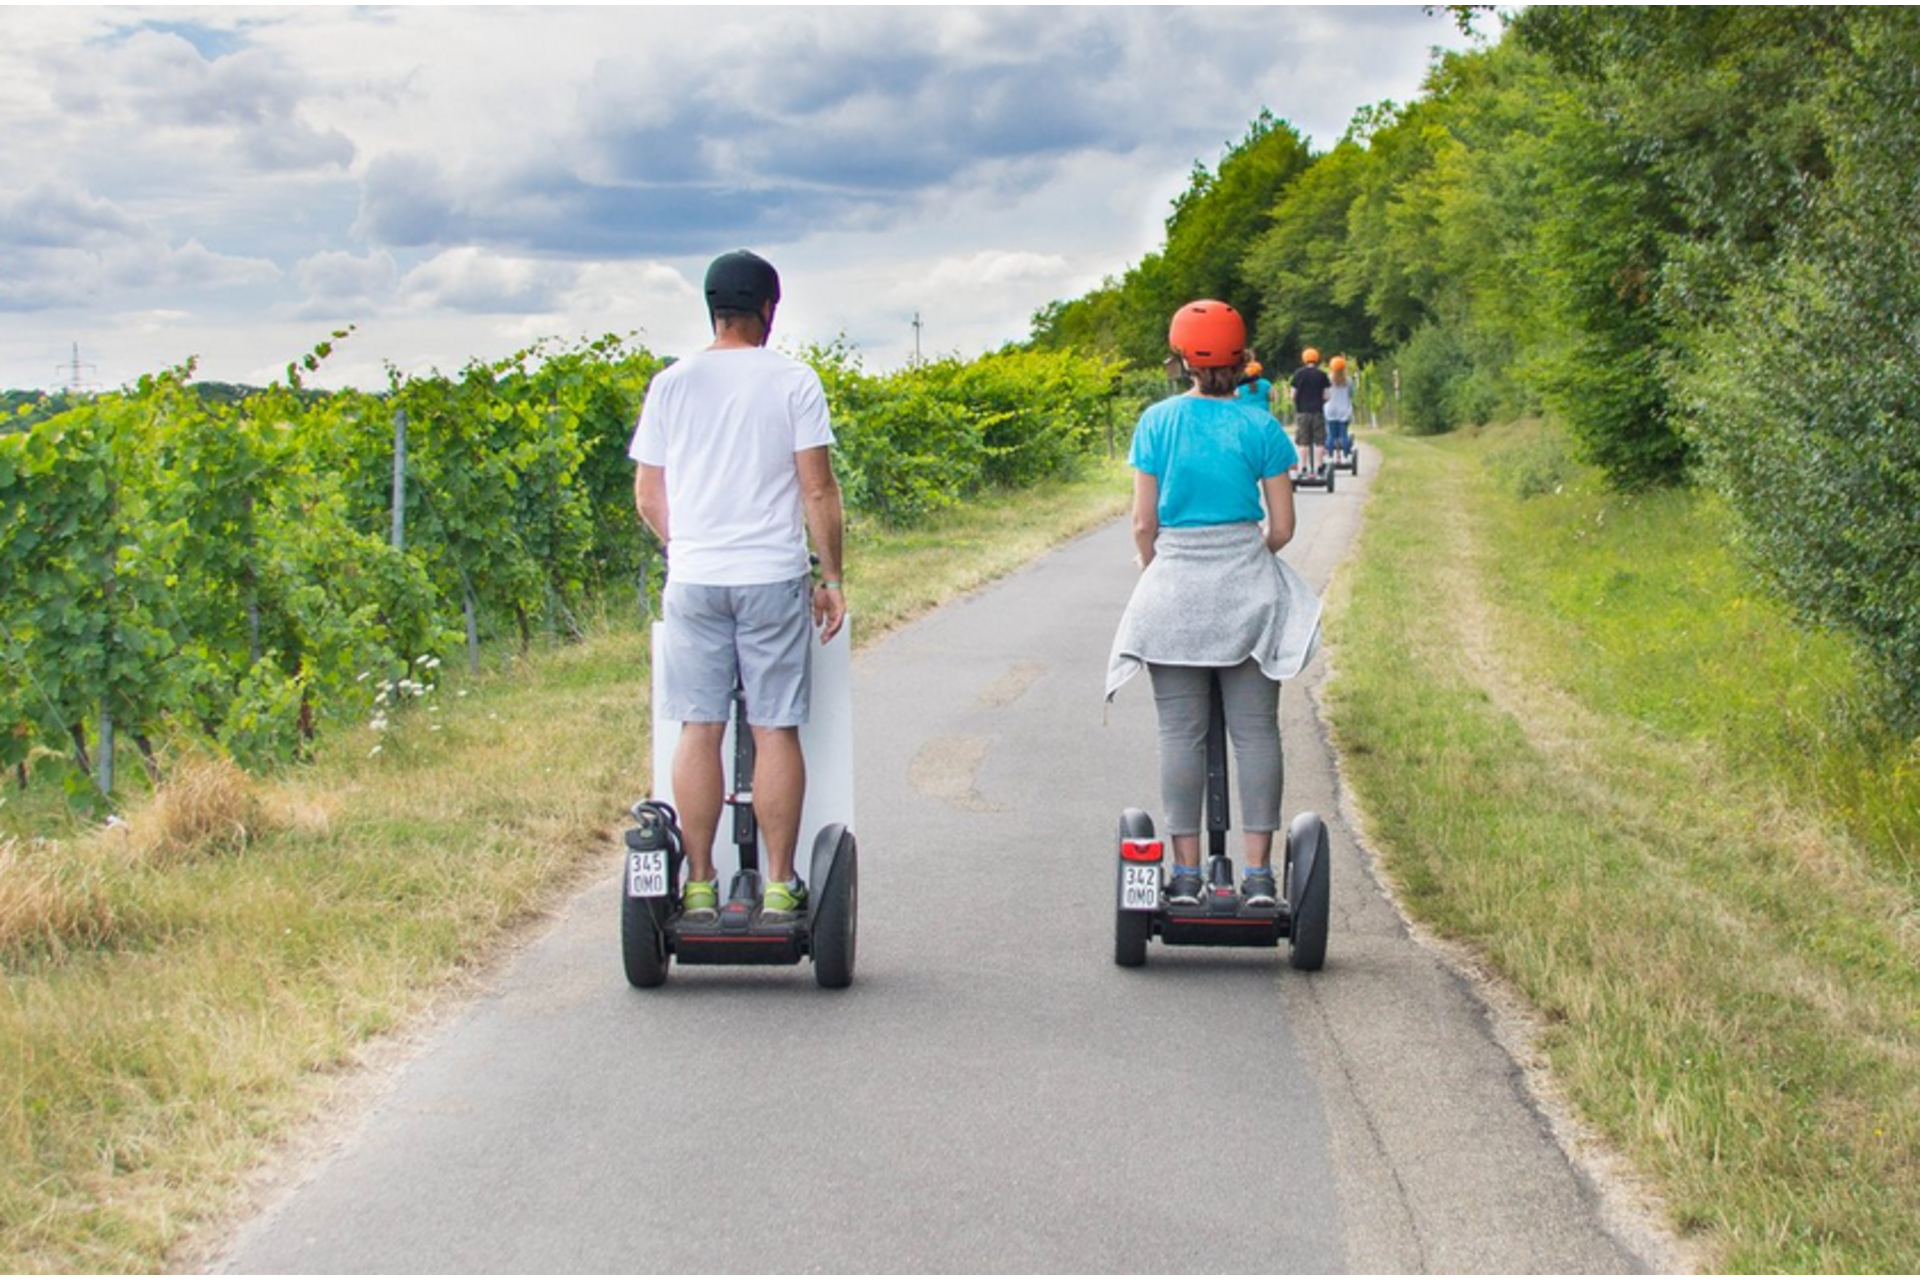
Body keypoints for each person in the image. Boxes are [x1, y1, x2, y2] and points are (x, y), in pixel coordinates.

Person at [631, 249, 847, 924]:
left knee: (699, 726)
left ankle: (699, 883)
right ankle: (779, 885)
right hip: (770, 576)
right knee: (774, 726)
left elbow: (648, 493)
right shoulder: (794, 381)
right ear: (768, 309)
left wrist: (690, 545)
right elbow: (817, 488)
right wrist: (831, 577)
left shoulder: (671, 383)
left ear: (712, 308)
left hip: (695, 578)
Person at [1106, 300, 1321, 908]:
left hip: (1174, 590)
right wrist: (1246, 556)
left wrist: (1157, 566)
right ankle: (1258, 878)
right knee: (1256, 733)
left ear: (1180, 359)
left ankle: (1185, 876)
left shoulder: (1156, 421)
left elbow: (1143, 524)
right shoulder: (1261, 426)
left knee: (1180, 733)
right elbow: (1283, 527)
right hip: (1247, 595)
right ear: (1241, 356)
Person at [1289, 347, 1332, 473]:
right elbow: (1327, 396)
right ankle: (1319, 466)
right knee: (1319, 441)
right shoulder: (1322, 375)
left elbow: (1292, 395)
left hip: (1302, 412)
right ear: (1317, 359)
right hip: (1317, 411)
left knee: (1303, 441)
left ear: (1304, 359)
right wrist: (1320, 401)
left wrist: (1298, 401)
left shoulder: (1298, 374)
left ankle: (1303, 466)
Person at [1325, 355, 1354, 462]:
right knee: (1343, 435)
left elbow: (1325, 394)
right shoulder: (1348, 381)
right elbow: (1351, 394)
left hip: (1330, 409)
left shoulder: (1328, 380)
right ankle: (1346, 457)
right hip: (1344, 410)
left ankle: (1330, 457)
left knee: (1331, 435)